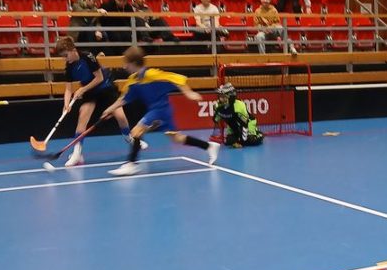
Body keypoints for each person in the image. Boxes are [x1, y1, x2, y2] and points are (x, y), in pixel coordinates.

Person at [99, 45, 220, 176]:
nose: (124, 67)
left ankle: (131, 164)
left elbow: (176, 78)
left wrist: (188, 93)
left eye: (126, 63)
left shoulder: (152, 74)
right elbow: (124, 99)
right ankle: (209, 146)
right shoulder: (133, 80)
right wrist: (110, 109)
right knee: (177, 139)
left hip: (161, 109)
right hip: (159, 111)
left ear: (133, 63)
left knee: (136, 132)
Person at [56, 36, 140, 167]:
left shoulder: (88, 57)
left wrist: (82, 89)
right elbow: (68, 89)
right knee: (83, 116)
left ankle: (129, 138)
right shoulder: (69, 66)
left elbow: (99, 78)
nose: (65, 59)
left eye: (66, 55)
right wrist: (66, 104)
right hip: (90, 92)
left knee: (120, 116)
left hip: (104, 87)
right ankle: (77, 154)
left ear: (72, 49)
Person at [213, 83, 263, 147]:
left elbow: (244, 123)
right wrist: (217, 112)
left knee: (251, 140)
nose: (221, 99)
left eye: (223, 97)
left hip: (248, 123)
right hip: (232, 126)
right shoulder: (218, 106)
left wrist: (242, 142)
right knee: (229, 141)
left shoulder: (239, 106)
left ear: (230, 97)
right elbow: (216, 119)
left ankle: (259, 134)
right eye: (220, 96)